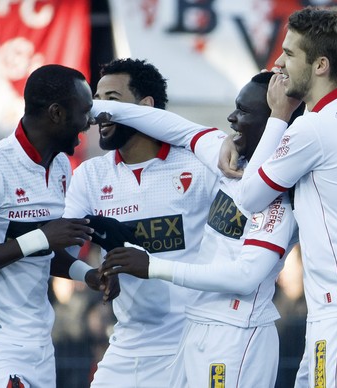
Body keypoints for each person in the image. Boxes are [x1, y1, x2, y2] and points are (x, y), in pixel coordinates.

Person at [95, 71, 303, 387]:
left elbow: (245, 277)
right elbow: (176, 128)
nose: (231, 118)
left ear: (273, 123)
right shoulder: (231, 159)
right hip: (197, 326)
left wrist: (154, 267)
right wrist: (91, 110)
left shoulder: (280, 199)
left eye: (244, 112)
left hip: (237, 336)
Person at [235, 7, 337, 387]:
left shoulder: (313, 127)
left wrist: (279, 115)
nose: (278, 62)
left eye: (290, 53)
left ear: (321, 64)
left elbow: (250, 196)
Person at [0, 64, 109, 387]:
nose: (89, 122)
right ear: (57, 113)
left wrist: (85, 274)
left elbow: (40, 252)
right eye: (83, 111)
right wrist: (41, 236)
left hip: (38, 341)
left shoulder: (60, 167)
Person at [63, 58, 218, 387]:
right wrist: (90, 275)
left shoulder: (199, 165)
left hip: (195, 341)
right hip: (128, 343)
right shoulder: (91, 175)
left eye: (112, 100)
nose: (98, 112)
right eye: (97, 100)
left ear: (146, 106)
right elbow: (60, 252)